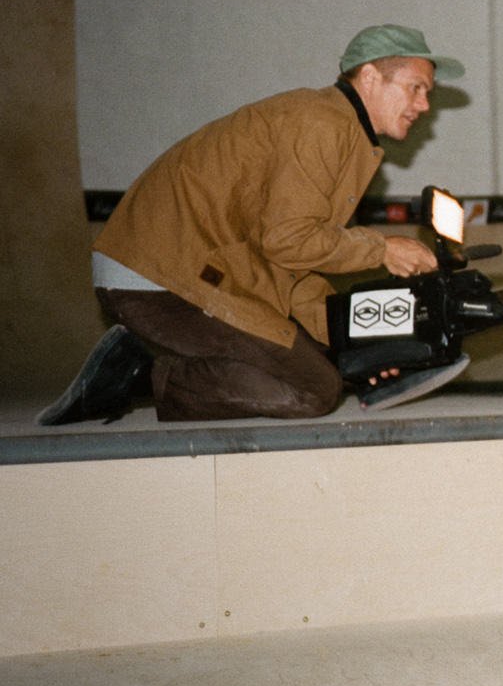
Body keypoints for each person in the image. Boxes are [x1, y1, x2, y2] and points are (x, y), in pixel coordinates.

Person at [38, 24, 464, 425]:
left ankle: (148, 361)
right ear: (370, 78)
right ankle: (137, 375)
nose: (424, 105)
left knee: (321, 358)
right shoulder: (322, 125)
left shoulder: (336, 128)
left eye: (427, 92)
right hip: (158, 279)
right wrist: (382, 250)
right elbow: (289, 242)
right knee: (314, 390)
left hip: (182, 270)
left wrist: (348, 338)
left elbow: (294, 264)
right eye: (416, 88)